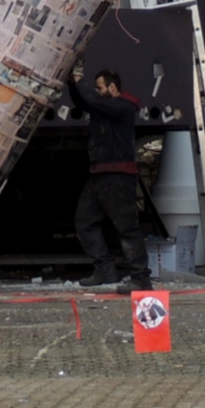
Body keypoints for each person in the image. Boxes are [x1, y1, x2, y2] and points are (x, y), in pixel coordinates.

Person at [68, 61, 150, 291]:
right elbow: (85, 101)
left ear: (113, 88)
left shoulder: (122, 107)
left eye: (100, 87)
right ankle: (105, 269)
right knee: (84, 222)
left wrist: (78, 81)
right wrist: (72, 84)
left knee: (127, 228)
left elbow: (91, 100)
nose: (97, 92)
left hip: (118, 175)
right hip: (101, 174)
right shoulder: (106, 107)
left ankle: (140, 278)